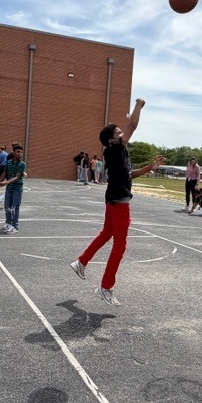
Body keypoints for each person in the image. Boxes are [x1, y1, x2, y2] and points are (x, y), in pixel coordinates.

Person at [69, 98, 165, 306]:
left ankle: (81, 262)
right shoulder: (113, 150)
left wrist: (150, 167)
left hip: (114, 198)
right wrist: (139, 104)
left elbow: (129, 174)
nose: (124, 134)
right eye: (119, 133)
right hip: (119, 202)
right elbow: (133, 125)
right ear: (112, 140)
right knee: (120, 245)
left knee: (107, 234)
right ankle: (105, 287)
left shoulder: (118, 152)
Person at [0, 143, 26, 234]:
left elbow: (16, 177)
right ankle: (9, 223)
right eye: (18, 152)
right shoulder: (8, 163)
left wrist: (5, 183)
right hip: (9, 188)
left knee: (14, 208)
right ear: (13, 152)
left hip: (17, 188)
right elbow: (4, 174)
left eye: (21, 152)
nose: (19, 153)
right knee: (7, 207)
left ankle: (15, 226)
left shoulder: (22, 164)